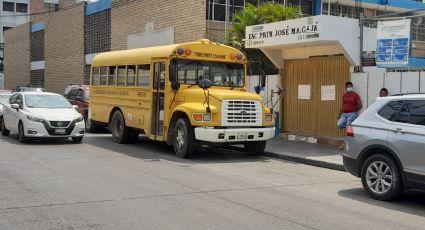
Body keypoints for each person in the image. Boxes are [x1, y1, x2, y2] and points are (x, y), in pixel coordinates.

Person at [337, 82, 362, 149]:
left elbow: (360, 105)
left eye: (350, 86)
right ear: (346, 87)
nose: (349, 87)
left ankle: (344, 144)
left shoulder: (355, 95)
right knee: (339, 125)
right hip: (344, 114)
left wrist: (354, 111)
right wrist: (339, 115)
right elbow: (343, 105)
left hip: (352, 114)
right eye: (348, 86)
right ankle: (350, 126)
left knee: (347, 130)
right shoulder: (344, 95)